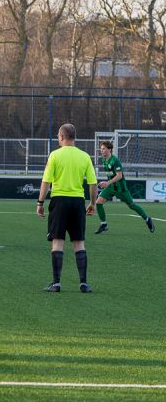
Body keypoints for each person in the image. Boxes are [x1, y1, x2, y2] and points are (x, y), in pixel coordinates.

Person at [37, 123, 98, 293]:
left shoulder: (55, 155)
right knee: (79, 243)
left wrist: (40, 203)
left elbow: (46, 182)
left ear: (62, 137)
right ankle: (84, 284)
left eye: (58, 135)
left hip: (59, 201)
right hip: (78, 202)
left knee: (58, 242)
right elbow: (93, 184)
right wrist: (93, 203)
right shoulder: (84, 156)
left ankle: (56, 283)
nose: (58, 138)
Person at [94, 140, 155, 234]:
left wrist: (107, 183)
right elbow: (111, 174)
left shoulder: (115, 160)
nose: (101, 151)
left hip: (121, 189)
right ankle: (104, 225)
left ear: (109, 149)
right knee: (98, 202)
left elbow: (119, 176)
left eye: (103, 149)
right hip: (111, 187)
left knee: (132, 205)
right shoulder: (104, 160)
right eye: (101, 149)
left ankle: (147, 219)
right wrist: (105, 183)